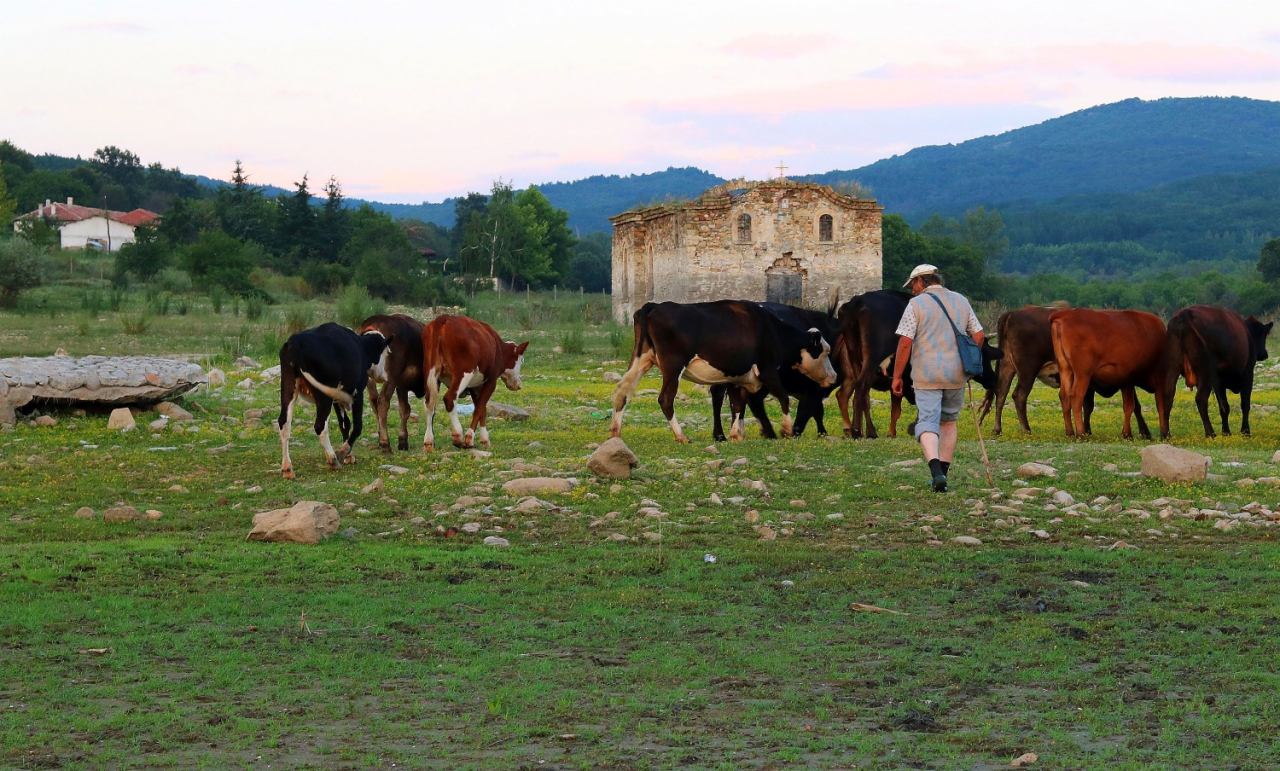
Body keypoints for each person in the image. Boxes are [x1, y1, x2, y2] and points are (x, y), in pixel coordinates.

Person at [890, 264, 984, 492]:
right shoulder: (961, 300)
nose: (912, 289)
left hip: (927, 373)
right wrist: (967, 361)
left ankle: (935, 472)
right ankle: (943, 472)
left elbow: (905, 342)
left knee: (927, 422)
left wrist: (897, 376)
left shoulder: (916, 304)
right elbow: (979, 335)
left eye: (913, 284)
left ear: (922, 281)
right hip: (956, 374)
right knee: (949, 422)